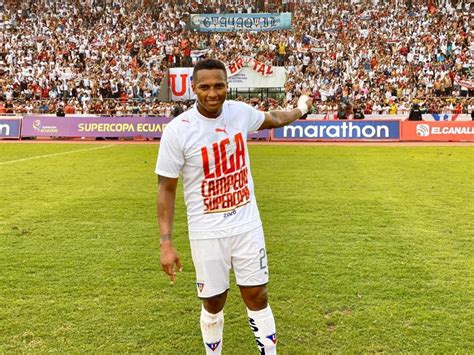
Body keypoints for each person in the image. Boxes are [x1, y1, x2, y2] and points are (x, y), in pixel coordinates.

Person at [155, 58, 312, 355]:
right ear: (193, 88)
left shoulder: (238, 113)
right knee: (213, 301)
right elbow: (166, 188)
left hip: (246, 225)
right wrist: (166, 242)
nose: (212, 93)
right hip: (207, 230)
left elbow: (275, 118)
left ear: (227, 86)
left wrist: (302, 108)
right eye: (204, 87)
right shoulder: (179, 130)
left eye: (219, 86)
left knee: (257, 295)